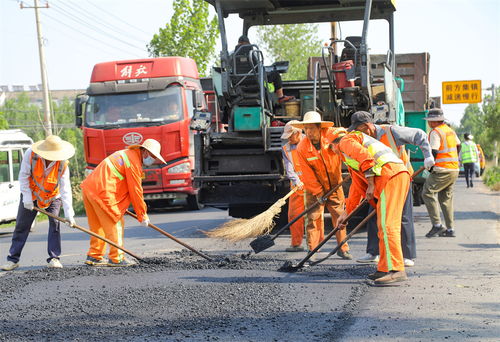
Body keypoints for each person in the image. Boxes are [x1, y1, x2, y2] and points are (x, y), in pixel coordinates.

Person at [347, 111, 435, 267]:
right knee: (374, 215)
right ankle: (373, 252)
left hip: (399, 179)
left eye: (358, 129)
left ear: (367, 126)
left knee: (403, 216)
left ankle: (407, 255)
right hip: (379, 181)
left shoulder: (391, 131)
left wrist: (427, 156)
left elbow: (419, 134)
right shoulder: (363, 138)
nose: (356, 134)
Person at [333, 127, 410, 284]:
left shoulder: (345, 142)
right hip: (391, 176)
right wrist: (346, 213)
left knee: (388, 226)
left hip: (391, 176)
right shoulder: (348, 156)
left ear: (332, 144)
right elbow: (355, 189)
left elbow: (366, 159)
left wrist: (370, 185)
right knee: (383, 226)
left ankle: (397, 269)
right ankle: (384, 268)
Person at [81, 139, 166, 267]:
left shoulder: (126, 154)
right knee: (116, 223)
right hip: (103, 192)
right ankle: (117, 258)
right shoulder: (133, 162)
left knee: (98, 226)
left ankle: (94, 256)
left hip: (90, 189)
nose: (152, 159)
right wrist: (142, 214)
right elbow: (136, 190)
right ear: (145, 151)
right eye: (152, 156)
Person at [1, 135, 76, 271]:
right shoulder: (31, 154)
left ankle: (54, 258)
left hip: (53, 197)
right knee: (21, 226)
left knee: (55, 225)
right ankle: (12, 259)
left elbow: (65, 188)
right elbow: (23, 176)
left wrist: (69, 213)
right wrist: (28, 199)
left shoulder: (63, 163)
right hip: (32, 194)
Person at [291, 111, 352, 260]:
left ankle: (342, 248)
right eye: (306, 129)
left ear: (320, 128)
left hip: (335, 186)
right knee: (312, 218)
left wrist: (340, 138)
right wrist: (318, 193)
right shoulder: (302, 148)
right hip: (314, 189)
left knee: (340, 217)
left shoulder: (330, 136)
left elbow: (343, 131)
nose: (309, 132)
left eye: (312, 128)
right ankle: (312, 250)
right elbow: (307, 174)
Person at [422, 108, 460, 238]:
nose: (428, 123)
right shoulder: (450, 131)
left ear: (433, 122)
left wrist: (431, 167)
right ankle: (450, 229)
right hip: (454, 169)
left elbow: (434, 151)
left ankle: (437, 225)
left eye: (429, 121)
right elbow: (458, 146)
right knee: (446, 199)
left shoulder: (435, 132)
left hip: (442, 169)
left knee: (427, 192)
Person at [234, 35, 294, 104]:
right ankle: (280, 97)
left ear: (238, 43)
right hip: (254, 80)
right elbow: (259, 67)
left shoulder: (233, 55)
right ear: (248, 43)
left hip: (239, 82)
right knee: (276, 74)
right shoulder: (253, 53)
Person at [281, 120, 306, 252]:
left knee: (315, 217)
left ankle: (316, 246)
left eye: (291, 135)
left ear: (298, 132)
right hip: (297, 187)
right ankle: (296, 244)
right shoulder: (286, 148)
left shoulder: (310, 143)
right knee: (294, 215)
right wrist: (296, 181)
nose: (289, 139)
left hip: (313, 185)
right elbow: (289, 169)